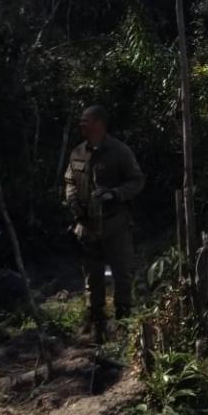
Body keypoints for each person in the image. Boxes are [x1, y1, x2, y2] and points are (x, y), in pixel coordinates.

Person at [64, 105, 145, 338]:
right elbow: (69, 180)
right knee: (92, 274)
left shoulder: (120, 151)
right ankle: (96, 320)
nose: (81, 125)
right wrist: (71, 199)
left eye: (85, 121)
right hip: (87, 225)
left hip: (115, 225)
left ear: (99, 123)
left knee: (122, 273)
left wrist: (114, 194)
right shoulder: (77, 152)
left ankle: (124, 322)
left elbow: (137, 181)